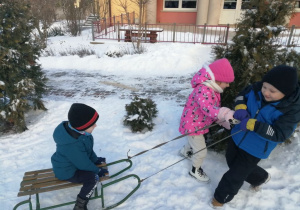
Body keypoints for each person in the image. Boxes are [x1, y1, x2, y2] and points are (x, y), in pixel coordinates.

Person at [211, 65, 300, 208]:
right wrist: (240, 107)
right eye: (265, 87)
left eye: (272, 91)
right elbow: (241, 96)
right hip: (238, 136)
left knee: (235, 174)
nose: (266, 92)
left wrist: (255, 125)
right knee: (231, 161)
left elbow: (280, 133)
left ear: (286, 93)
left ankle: (220, 198)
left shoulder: (290, 110)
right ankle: (261, 177)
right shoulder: (256, 89)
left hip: (256, 148)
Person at [179, 58, 235, 182]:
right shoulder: (203, 89)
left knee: (194, 141)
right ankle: (195, 170)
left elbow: (213, 109)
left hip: (197, 123)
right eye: (226, 82)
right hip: (193, 125)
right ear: (218, 80)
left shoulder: (212, 88)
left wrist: (224, 120)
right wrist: (225, 113)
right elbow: (208, 108)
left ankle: (185, 151)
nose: (228, 85)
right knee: (201, 151)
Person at [51, 103, 109, 210]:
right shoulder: (72, 144)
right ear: (83, 126)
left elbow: (88, 150)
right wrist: (96, 170)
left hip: (74, 163)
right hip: (67, 171)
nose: (95, 126)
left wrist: (95, 160)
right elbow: (83, 163)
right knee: (93, 179)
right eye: (92, 125)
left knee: (90, 169)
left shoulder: (81, 134)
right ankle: (80, 205)